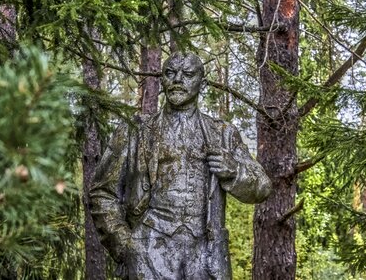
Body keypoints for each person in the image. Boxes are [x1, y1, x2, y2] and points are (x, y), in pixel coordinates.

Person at [90, 52, 272, 280]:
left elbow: (262, 187)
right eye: (170, 73)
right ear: (162, 79)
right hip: (148, 250)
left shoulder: (223, 134)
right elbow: (102, 193)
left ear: (202, 83)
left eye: (187, 74)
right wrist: (126, 245)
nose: (177, 80)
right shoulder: (134, 131)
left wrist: (235, 171)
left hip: (206, 255)